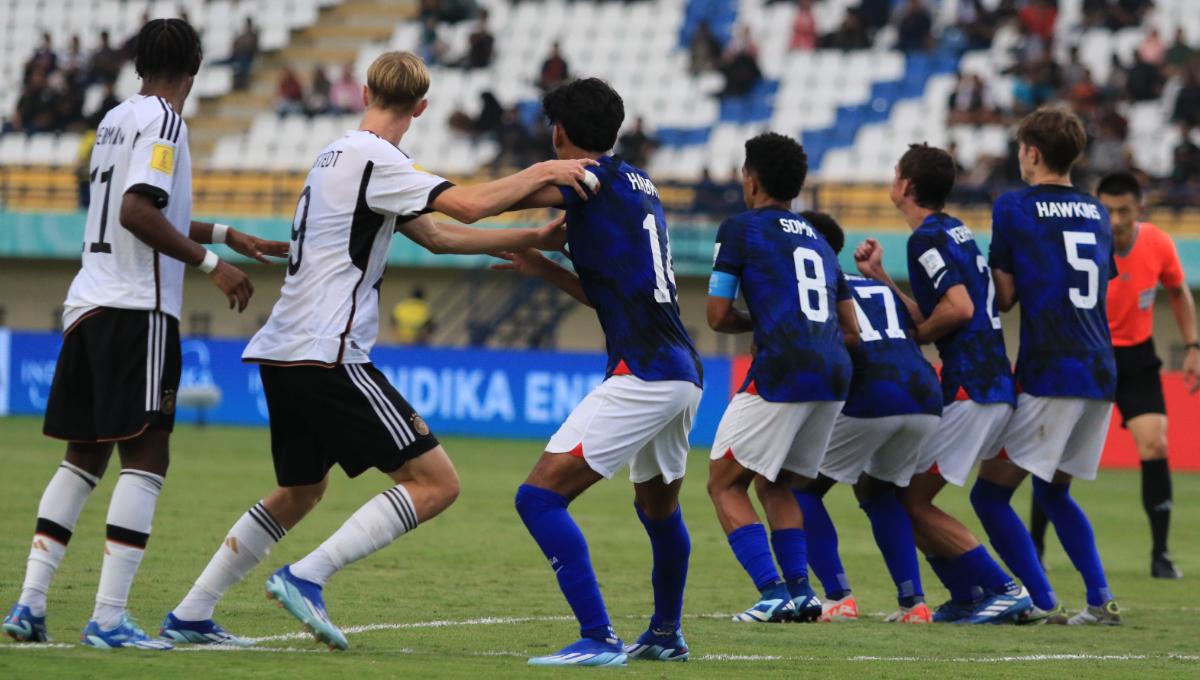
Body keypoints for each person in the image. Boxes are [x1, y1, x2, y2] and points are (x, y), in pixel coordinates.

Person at [159, 51, 596, 649]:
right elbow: (464, 206)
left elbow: (437, 236)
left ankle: (191, 612)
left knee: (301, 490)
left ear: (365, 91)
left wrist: (531, 238)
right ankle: (307, 577)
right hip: (329, 352)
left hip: (285, 349)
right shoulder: (381, 160)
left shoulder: (335, 155)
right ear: (421, 107)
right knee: (437, 482)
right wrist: (544, 171)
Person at [1, 18, 283, 650]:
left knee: (83, 458)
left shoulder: (114, 120)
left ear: (137, 62)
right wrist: (213, 266)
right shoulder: (165, 120)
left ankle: (29, 605)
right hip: (138, 310)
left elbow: (141, 203)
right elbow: (137, 212)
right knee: (148, 455)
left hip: (89, 304)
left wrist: (225, 233)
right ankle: (107, 618)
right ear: (196, 65)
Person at [490, 78, 702, 666]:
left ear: (559, 132)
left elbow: (491, 202)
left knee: (538, 499)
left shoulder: (585, 178)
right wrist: (544, 270)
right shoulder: (639, 182)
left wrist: (431, 201)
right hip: (681, 372)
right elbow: (612, 293)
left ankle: (598, 636)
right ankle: (664, 633)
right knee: (659, 511)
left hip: (645, 374)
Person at [854, 144, 1040, 624]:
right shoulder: (954, 230)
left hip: (970, 386)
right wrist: (882, 281)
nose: (892, 181)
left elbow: (958, 309)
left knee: (907, 498)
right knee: (903, 496)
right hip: (992, 381)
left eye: (896, 173)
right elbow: (946, 306)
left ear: (907, 186)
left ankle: (1002, 587)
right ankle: (966, 595)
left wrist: (914, 337)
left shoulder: (927, 239)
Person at [706, 134, 857, 625]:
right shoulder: (819, 237)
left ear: (750, 179)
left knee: (724, 483)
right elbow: (852, 328)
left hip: (784, 366)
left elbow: (716, 314)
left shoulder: (741, 228)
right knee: (776, 485)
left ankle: (772, 592)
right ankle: (803, 593)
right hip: (835, 370)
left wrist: (761, 320)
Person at [984, 106, 1121, 625]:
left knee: (990, 493)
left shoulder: (1014, 208)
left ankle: (1040, 601)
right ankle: (1099, 600)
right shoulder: (1096, 211)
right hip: (1099, 367)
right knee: (1052, 490)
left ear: (1033, 153)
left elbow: (1006, 297)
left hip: (1052, 367)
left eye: (1021, 149)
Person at [1028, 171, 1198, 580]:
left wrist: (1193, 346)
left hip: (1137, 359)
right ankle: (1035, 547)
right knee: (1054, 458)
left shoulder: (1158, 243)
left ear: (1140, 208)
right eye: (1108, 210)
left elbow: (1178, 290)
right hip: (1086, 355)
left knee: (1155, 445)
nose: (1116, 219)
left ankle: (1160, 554)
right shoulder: (1081, 242)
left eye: (1124, 210)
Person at [792, 211, 943, 624]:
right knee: (878, 493)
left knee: (796, 488)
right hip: (927, 395)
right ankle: (914, 603)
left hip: (876, 394)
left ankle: (838, 595)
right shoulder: (877, 286)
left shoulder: (819, 289)